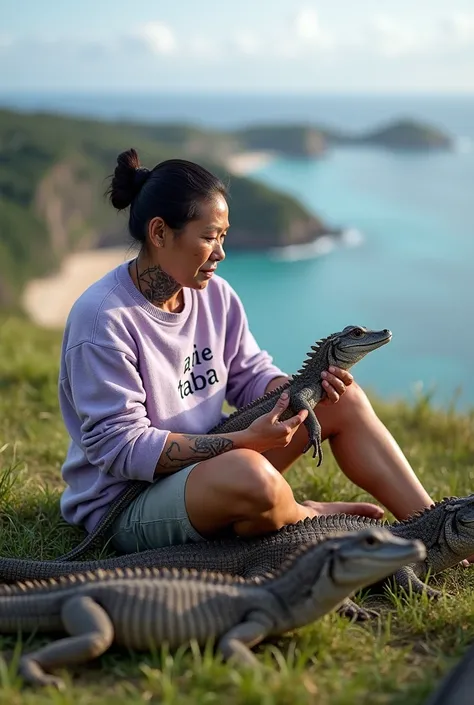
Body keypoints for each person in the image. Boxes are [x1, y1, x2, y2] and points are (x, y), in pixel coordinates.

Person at [58, 149, 435, 555]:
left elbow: (250, 375)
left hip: (209, 472)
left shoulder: (215, 295)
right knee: (250, 474)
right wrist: (243, 441)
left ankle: (440, 529)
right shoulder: (102, 320)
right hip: (126, 505)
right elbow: (123, 449)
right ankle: (325, 525)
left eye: (222, 236)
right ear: (160, 232)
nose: (220, 253)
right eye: (207, 237)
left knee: (342, 401)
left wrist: (307, 389)